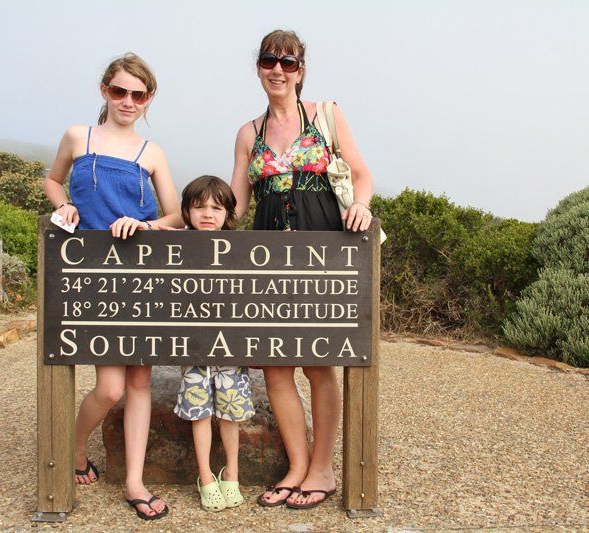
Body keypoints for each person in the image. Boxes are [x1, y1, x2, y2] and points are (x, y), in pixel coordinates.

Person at [229, 30, 374, 510]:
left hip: (324, 255)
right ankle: (296, 465)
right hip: (269, 261)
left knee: (318, 364)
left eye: (288, 63)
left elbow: (360, 173)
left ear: (300, 70)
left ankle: (323, 468)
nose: (278, 70)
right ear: (258, 67)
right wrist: (184, 221)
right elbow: (236, 208)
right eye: (270, 60)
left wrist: (364, 207)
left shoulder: (326, 115)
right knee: (275, 368)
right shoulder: (249, 133)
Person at [43, 52, 182, 521]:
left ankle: (135, 482)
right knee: (109, 388)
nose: (128, 101)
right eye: (119, 91)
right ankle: (77, 445)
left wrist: (143, 226)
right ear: (105, 90)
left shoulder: (152, 153)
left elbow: (176, 214)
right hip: (94, 274)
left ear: (148, 99)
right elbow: (52, 179)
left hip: (140, 274)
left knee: (139, 380)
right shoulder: (77, 136)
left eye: (138, 94)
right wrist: (64, 207)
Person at [173, 175, 255, 512]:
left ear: (229, 216)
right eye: (199, 207)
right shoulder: (176, 247)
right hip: (194, 352)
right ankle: (206, 476)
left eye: (216, 208)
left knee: (231, 413)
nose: (208, 213)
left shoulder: (241, 251)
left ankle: (231, 473)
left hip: (231, 352)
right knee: (200, 413)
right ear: (187, 212)